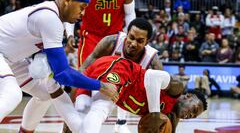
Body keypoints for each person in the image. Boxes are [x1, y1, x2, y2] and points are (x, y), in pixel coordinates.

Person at [20, 18, 163, 133]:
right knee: (82, 110)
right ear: (127, 33)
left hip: (123, 93)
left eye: (139, 41)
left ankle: (121, 122)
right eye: (131, 37)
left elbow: (163, 94)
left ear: (147, 42)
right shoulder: (111, 42)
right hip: (98, 83)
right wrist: (68, 119)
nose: (133, 43)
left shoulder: (152, 61)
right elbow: (83, 71)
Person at [0, 0, 119, 133]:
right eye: (82, 7)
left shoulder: (53, 18)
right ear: (67, 1)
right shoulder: (50, 18)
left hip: (10, 58)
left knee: (45, 94)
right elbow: (63, 74)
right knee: (12, 93)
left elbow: (56, 67)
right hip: (4, 54)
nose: (83, 13)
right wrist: (101, 86)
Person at [79, 55, 207, 133]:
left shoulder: (170, 117)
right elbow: (153, 77)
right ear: (188, 96)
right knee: (99, 109)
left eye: (193, 116)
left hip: (120, 91)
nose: (190, 115)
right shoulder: (176, 87)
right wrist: (155, 114)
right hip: (124, 72)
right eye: (194, 109)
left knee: (80, 112)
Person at [65, 0, 136, 132]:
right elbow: (71, 9)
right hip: (91, 37)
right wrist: (69, 34)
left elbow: (130, 13)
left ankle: (121, 123)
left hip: (116, 38)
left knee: (121, 79)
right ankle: (73, 121)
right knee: (82, 79)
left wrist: (129, 36)